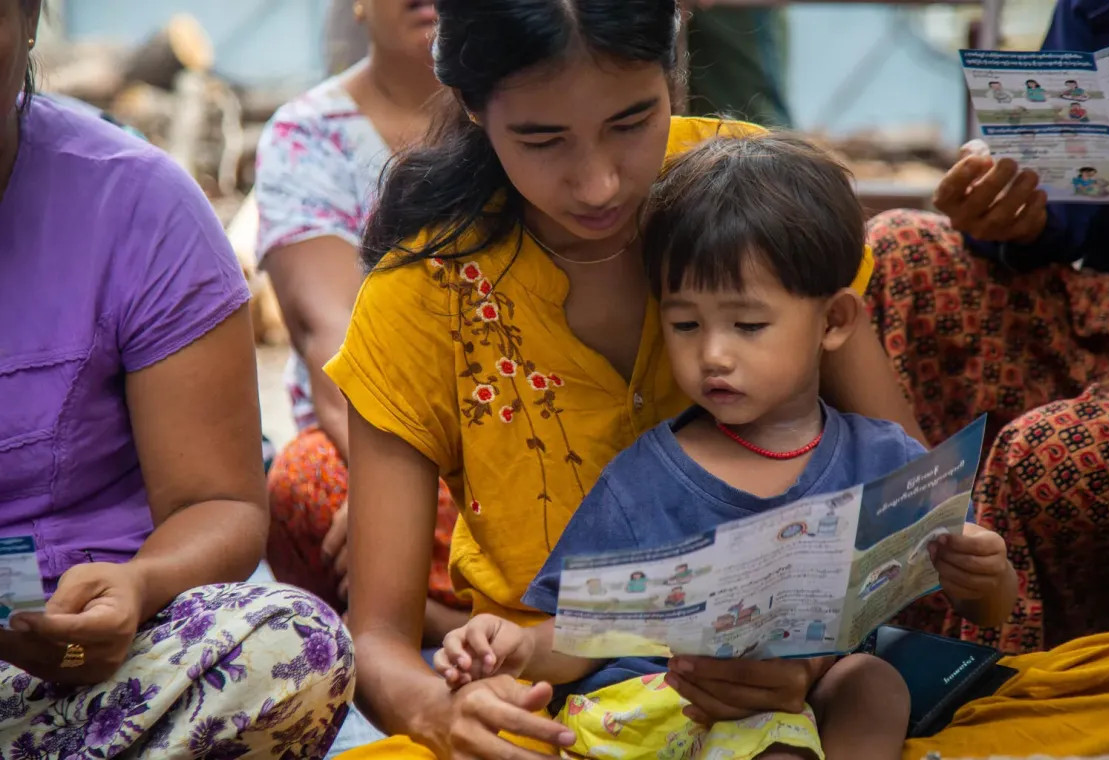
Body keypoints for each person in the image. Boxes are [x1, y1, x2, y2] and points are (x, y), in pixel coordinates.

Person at [320, 1, 958, 757]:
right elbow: (378, 640)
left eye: (632, 122)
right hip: (559, 695)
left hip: (807, 677)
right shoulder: (420, 295)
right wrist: (443, 716)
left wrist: (809, 664)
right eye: (541, 138)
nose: (597, 184)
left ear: (674, 68)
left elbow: (917, 515)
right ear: (471, 106)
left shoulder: (754, 200)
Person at [433, 134, 1018, 760]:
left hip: (800, 704)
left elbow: (987, 607)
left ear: (834, 322)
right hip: (665, 710)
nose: (713, 353)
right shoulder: (644, 481)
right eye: (685, 324)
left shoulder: (883, 460)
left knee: (872, 681)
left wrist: (985, 571)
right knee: (771, 736)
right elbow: (579, 639)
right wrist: (517, 648)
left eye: (748, 325)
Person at [0, 1, 353, 756]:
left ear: (27, 17)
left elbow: (219, 504)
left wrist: (139, 586)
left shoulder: (137, 207)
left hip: (92, 673)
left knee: (292, 645)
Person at [867, 0, 1109, 655]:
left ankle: (992, 687)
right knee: (896, 251)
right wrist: (1010, 211)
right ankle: (891, 641)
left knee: (1041, 455)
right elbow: (1077, 211)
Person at [256, 0, 469, 640]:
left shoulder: (531, 107)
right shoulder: (308, 133)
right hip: (371, 427)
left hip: (523, 416)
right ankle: (438, 613)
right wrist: (411, 490)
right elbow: (335, 340)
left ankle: (431, 611)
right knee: (307, 487)